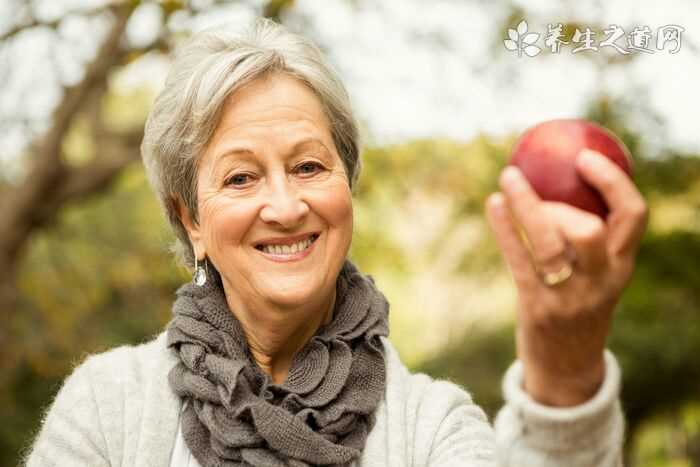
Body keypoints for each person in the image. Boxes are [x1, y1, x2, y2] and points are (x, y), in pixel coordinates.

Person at [24, 17, 647, 467]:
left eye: (309, 167)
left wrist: (564, 362)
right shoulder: (106, 408)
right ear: (191, 221)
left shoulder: (432, 427)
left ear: (345, 189)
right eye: (241, 177)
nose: (287, 206)